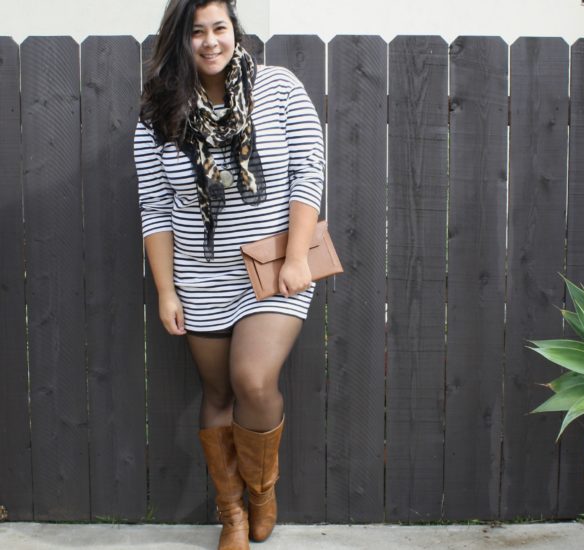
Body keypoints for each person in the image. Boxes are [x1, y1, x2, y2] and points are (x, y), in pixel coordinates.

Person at [133, 1, 324, 548]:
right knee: (216, 392)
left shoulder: (279, 88)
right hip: (200, 275)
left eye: (219, 28)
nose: (210, 41)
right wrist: (166, 290)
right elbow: (156, 207)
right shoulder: (158, 112)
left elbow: (308, 170)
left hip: (274, 268)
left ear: (234, 31)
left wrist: (296, 257)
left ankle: (261, 492)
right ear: (180, 39)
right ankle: (232, 514)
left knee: (253, 380)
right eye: (197, 32)